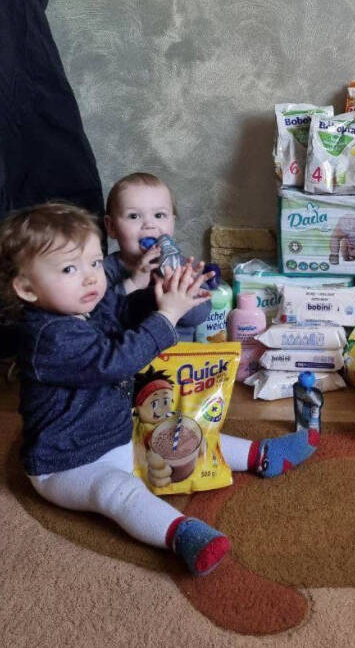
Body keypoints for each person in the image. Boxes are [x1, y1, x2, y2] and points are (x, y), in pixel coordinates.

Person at [0, 202, 319, 575]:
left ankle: (259, 456)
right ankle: (180, 533)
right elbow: (115, 360)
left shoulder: (87, 303)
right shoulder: (48, 338)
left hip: (117, 432)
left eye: (94, 263)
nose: (90, 278)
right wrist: (165, 316)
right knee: (117, 492)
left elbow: (122, 310)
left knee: (182, 431)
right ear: (25, 288)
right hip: (69, 461)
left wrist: (164, 296)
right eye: (70, 269)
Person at [103, 171, 208, 341]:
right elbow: (100, 318)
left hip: (178, 357)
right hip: (127, 358)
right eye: (134, 216)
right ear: (111, 227)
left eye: (159, 215)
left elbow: (199, 317)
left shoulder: (181, 267)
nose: (149, 225)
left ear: (172, 224)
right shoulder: (104, 270)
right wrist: (133, 284)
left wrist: (185, 290)